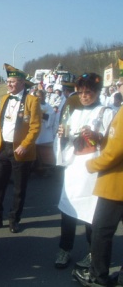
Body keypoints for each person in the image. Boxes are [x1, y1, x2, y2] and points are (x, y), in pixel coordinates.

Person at [54, 73, 114, 270]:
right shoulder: (76, 112)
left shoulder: (106, 112)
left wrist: (95, 136)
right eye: (81, 92)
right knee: (68, 209)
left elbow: (111, 143)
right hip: (74, 166)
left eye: (88, 92)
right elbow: (67, 141)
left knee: (92, 212)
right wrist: (62, 136)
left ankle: (92, 252)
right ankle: (65, 248)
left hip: (92, 168)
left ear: (97, 93)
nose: (84, 96)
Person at [72, 76, 123, 287]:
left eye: (121, 84)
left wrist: (92, 165)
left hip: (115, 182)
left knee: (101, 231)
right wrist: (99, 138)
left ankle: (97, 277)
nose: (118, 87)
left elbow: (116, 151)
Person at [0, 63, 41, 233]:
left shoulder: (32, 101)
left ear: (22, 83)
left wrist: (25, 145)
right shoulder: (5, 98)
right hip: (2, 148)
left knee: (19, 188)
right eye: (8, 81)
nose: (9, 84)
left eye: (12, 81)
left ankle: (14, 219)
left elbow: (35, 127)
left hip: (20, 150)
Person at [33, 89, 55, 175]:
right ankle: (35, 166)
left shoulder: (48, 106)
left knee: (43, 149)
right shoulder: (33, 105)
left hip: (44, 130)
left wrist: (42, 115)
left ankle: (45, 166)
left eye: (40, 96)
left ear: (43, 97)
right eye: (36, 96)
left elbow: (51, 117)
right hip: (35, 129)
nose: (38, 98)